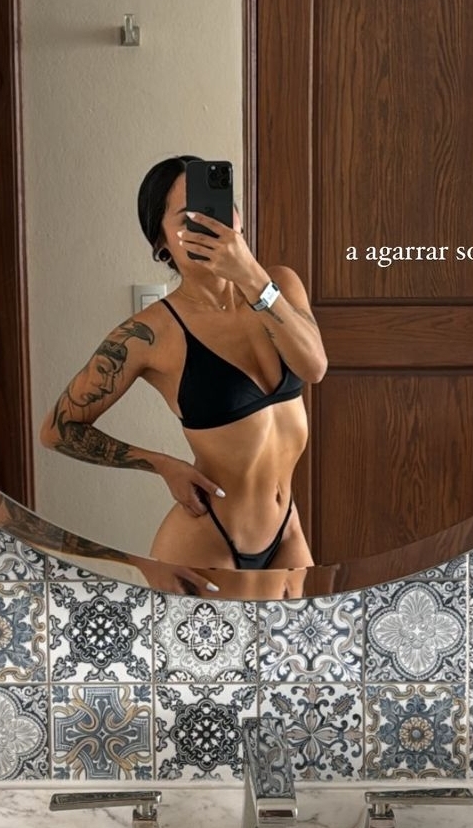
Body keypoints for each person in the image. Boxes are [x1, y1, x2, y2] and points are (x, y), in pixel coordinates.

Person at [40, 154, 327, 598]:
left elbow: (314, 367)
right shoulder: (152, 332)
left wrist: (252, 278)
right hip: (208, 539)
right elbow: (58, 430)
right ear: (162, 241)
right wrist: (161, 464)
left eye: (218, 209)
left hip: (287, 531)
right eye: (190, 217)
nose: (210, 225)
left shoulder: (280, 286)